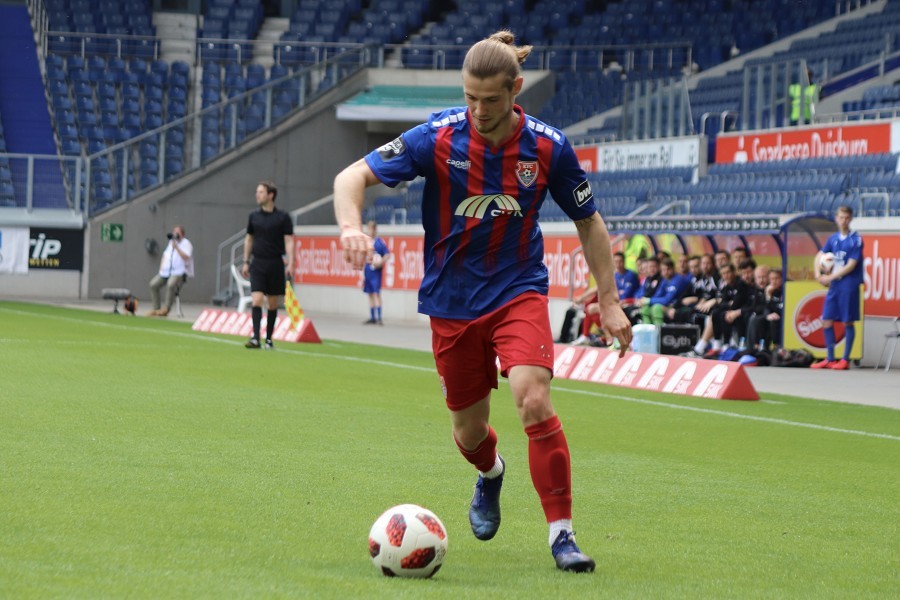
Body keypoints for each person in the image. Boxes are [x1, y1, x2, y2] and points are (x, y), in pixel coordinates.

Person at [333, 30, 632, 573]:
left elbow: (589, 221)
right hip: (451, 301)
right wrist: (351, 227)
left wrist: (608, 301)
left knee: (532, 396)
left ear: (516, 89)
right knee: (469, 432)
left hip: (518, 288)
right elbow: (351, 176)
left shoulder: (548, 146)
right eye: (470, 97)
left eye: (490, 100)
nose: (477, 110)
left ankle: (561, 535)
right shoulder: (438, 137)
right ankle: (491, 474)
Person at [241, 181, 294, 350]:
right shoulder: (253, 216)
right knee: (256, 299)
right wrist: (245, 261)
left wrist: (291, 263)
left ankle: (269, 339)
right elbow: (249, 239)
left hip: (275, 263)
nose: (257, 195)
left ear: (271, 195)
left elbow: (289, 241)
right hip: (258, 262)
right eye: (257, 192)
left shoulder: (283, 217)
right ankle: (256, 337)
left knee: (272, 303)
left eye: (261, 192)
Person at [811, 205, 864, 370]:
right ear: (836, 218)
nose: (844, 221)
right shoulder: (833, 239)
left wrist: (830, 277)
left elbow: (851, 265)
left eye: (847, 218)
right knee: (827, 320)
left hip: (848, 284)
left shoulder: (855, 239)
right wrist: (818, 274)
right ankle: (830, 358)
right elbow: (819, 255)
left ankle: (845, 359)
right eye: (841, 217)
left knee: (847, 321)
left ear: (851, 219)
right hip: (835, 285)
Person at [148, 225, 193, 317]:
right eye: (174, 231)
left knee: (171, 284)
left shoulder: (186, 243)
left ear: (182, 234)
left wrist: (176, 247)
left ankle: (166, 308)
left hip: (179, 272)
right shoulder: (171, 242)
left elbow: (186, 257)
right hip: (166, 271)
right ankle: (156, 308)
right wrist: (161, 267)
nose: (175, 234)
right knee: (153, 284)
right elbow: (166, 255)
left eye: (177, 232)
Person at [363, 220, 390, 325]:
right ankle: (372, 317)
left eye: (372, 229)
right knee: (369, 293)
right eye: (369, 228)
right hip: (368, 271)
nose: (371, 231)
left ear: (375, 230)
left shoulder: (379, 242)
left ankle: (379, 318)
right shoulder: (366, 242)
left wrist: (381, 262)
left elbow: (387, 255)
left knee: (376, 293)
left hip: (376, 272)